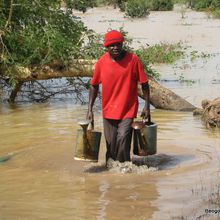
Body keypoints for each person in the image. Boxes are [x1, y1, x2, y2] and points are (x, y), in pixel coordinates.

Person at [86, 30, 150, 163]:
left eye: (118, 44)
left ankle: (124, 171)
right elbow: (94, 85)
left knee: (123, 139)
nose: (115, 47)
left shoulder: (133, 60)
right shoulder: (101, 62)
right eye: (112, 45)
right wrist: (89, 109)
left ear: (122, 44)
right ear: (107, 47)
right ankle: (113, 176)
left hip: (128, 109)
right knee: (111, 148)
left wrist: (147, 106)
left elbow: (144, 83)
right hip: (108, 110)